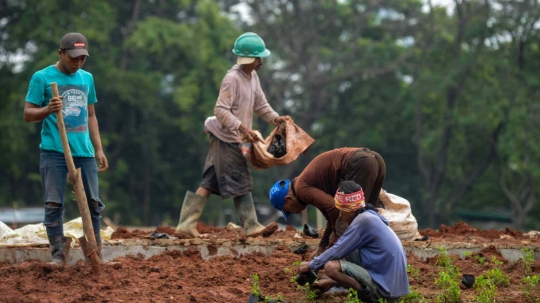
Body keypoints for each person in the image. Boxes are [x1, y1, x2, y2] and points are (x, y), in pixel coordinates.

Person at [175, 32, 291, 238]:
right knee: (240, 177)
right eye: (258, 58)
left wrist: (276, 119)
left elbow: (260, 104)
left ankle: (185, 224)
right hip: (225, 137)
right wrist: (242, 128)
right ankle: (251, 225)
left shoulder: (252, 77)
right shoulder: (232, 79)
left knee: (209, 181)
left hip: (231, 136)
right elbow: (220, 110)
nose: (261, 62)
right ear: (248, 58)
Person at [24, 33, 108, 270]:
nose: (78, 63)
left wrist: (98, 149)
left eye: (82, 58)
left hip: (84, 152)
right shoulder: (42, 77)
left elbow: (91, 115)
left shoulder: (87, 78)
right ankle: (58, 256)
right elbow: (28, 114)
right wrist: (48, 109)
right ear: (60, 53)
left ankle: (96, 252)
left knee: (93, 204)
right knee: (53, 204)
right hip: (54, 151)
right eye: (73, 58)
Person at [298, 181, 409, 302]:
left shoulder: (363, 221)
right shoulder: (370, 216)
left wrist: (311, 265)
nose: (340, 215)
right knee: (347, 248)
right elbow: (343, 248)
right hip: (392, 284)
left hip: (385, 289)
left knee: (331, 267)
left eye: (341, 210)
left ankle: (369, 297)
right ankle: (351, 288)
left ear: (348, 209)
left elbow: (337, 250)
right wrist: (332, 283)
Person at [269, 147, 385, 257]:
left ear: (288, 198)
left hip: (359, 163)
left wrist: (334, 235)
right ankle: (377, 257)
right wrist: (323, 245)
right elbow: (331, 214)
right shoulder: (304, 183)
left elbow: (334, 209)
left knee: (343, 225)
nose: (293, 212)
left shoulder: (302, 189)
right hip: (374, 159)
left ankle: (345, 269)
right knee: (368, 216)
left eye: (288, 209)